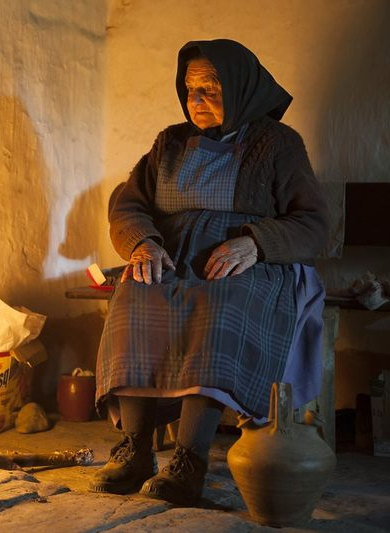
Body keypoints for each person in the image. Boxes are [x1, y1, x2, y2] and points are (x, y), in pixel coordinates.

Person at [90, 39, 328, 506]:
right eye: (190, 89)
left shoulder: (279, 144)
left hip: (244, 260)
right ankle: (136, 450)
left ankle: (188, 461)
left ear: (240, 88)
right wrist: (142, 243)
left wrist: (256, 242)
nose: (197, 101)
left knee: (219, 307)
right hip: (172, 254)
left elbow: (313, 224)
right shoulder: (169, 142)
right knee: (135, 294)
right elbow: (129, 205)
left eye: (210, 89)